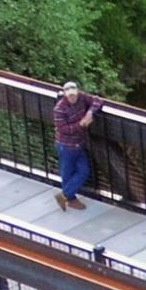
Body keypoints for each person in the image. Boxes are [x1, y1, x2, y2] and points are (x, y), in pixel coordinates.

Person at [50, 81, 100, 210]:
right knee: (67, 173)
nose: (73, 97)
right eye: (70, 95)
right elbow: (63, 129)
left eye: (74, 94)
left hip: (79, 144)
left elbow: (97, 101)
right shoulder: (60, 109)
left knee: (83, 171)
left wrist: (90, 113)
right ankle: (70, 199)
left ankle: (64, 195)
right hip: (66, 146)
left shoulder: (82, 97)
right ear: (65, 94)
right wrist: (81, 124)